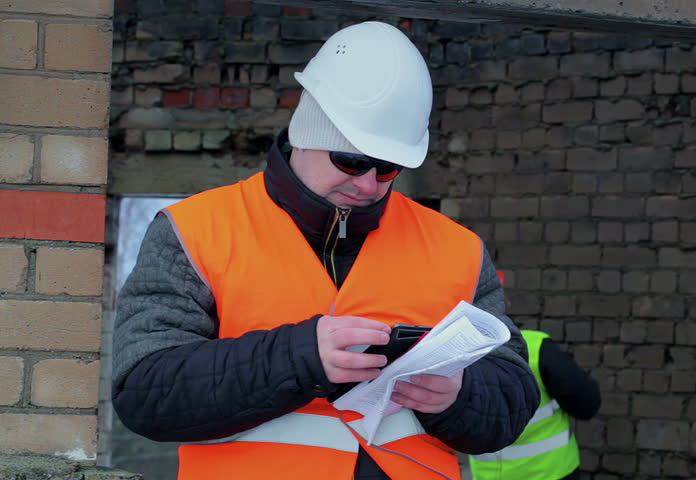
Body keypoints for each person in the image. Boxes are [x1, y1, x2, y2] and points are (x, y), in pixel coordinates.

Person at [111, 21, 539, 480]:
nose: (367, 183)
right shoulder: (196, 231)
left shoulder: (457, 248)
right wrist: (298, 358)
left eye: (387, 167)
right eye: (351, 161)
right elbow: (145, 391)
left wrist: (459, 396)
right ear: (306, 132)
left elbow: (512, 397)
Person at [467, 271, 601, 480]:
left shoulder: (459, 357)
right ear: (505, 303)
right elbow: (587, 404)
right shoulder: (538, 349)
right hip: (551, 473)